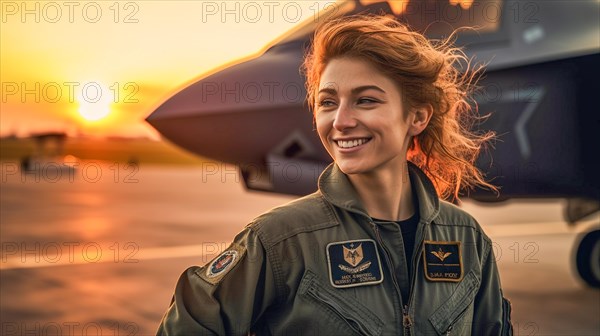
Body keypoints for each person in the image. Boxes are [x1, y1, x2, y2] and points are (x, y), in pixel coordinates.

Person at [157, 14, 513, 336]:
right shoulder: (280, 240)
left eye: (366, 100)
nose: (340, 121)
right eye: (328, 102)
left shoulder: (466, 240)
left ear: (417, 117)